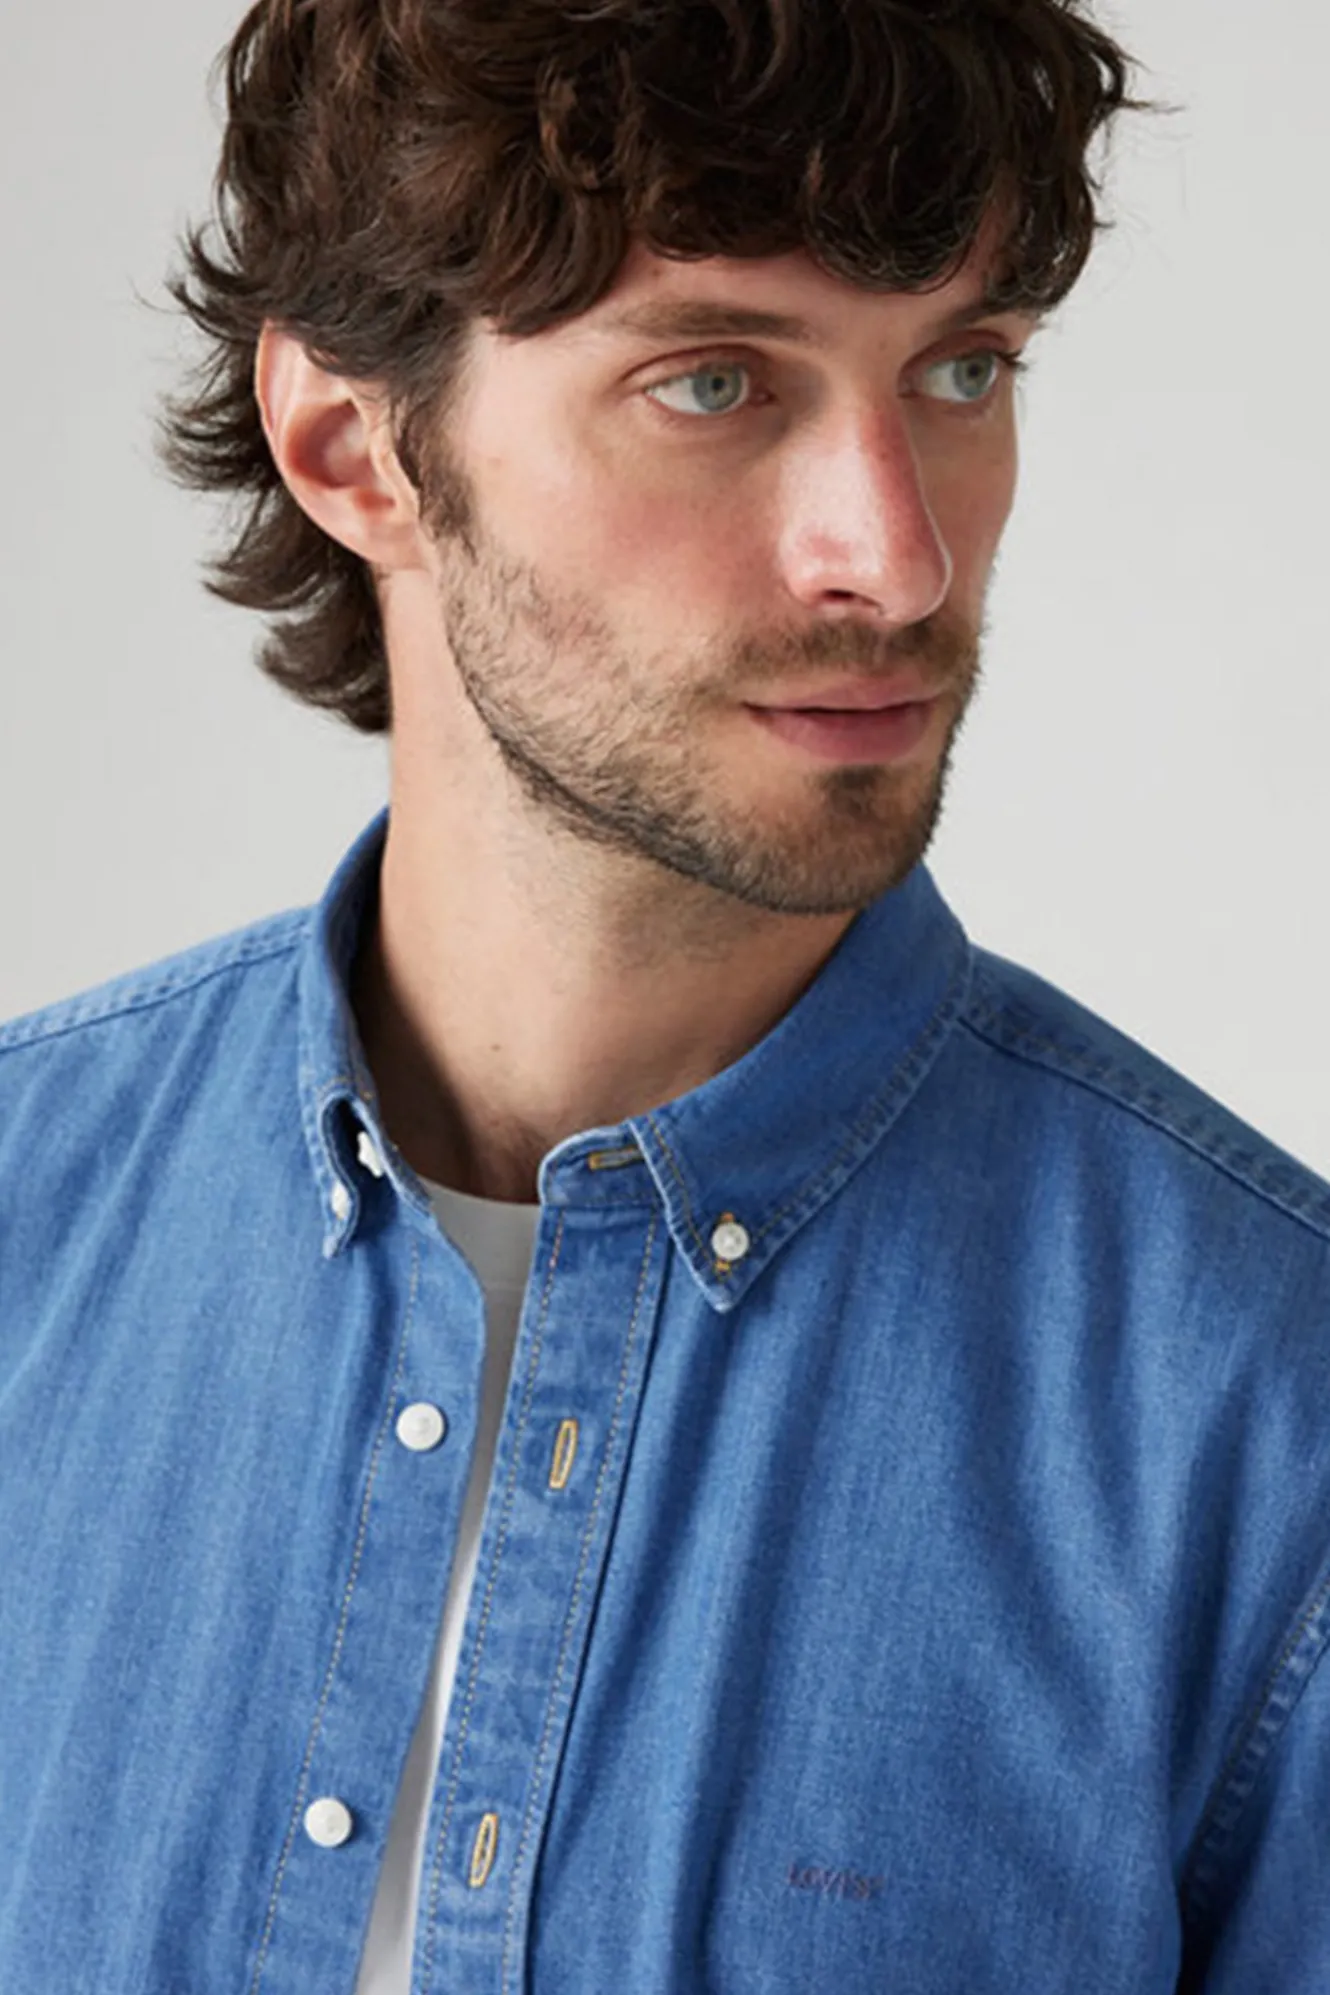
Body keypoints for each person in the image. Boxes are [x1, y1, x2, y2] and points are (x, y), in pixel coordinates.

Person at [3, 0, 1328, 1988]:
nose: (895, 556)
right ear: (354, 448)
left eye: (959, 368)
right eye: (713, 382)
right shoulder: (29, 1224)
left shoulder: (1265, 1425)